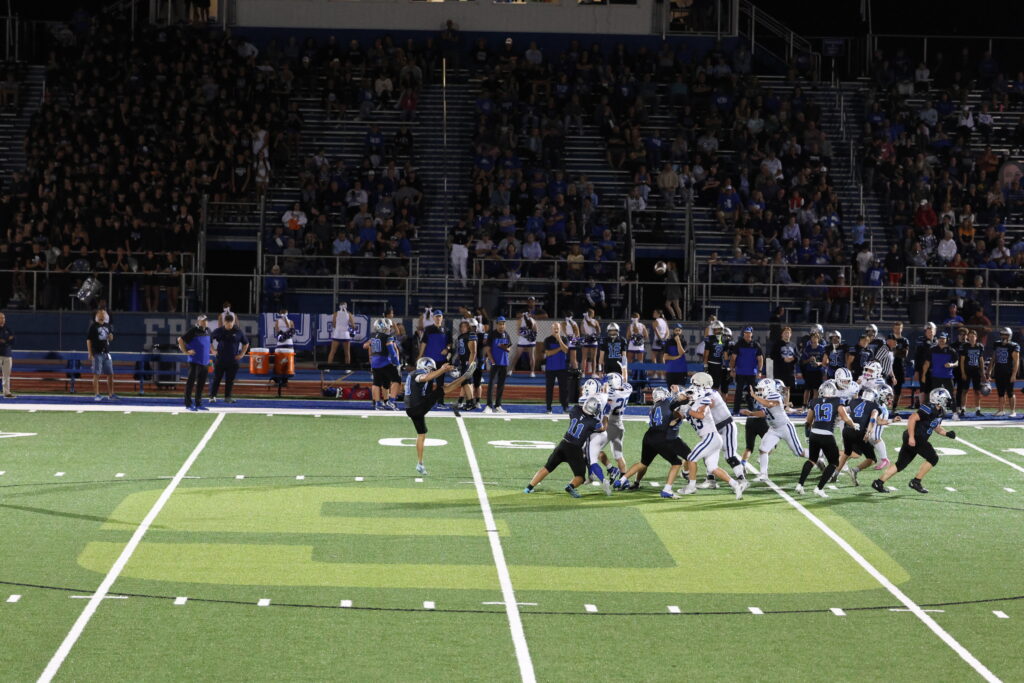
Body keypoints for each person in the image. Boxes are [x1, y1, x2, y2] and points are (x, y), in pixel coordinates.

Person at [872, 388, 956, 494]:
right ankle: (916, 482)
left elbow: (936, 427)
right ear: (938, 399)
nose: (947, 401)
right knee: (933, 458)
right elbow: (912, 418)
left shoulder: (939, 411)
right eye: (945, 399)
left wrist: (947, 434)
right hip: (916, 437)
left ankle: (878, 482)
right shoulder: (928, 408)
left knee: (901, 464)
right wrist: (911, 437)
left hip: (915, 437)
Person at [613, 386, 690, 498]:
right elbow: (681, 400)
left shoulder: (653, 408)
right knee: (677, 463)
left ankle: (621, 480)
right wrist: (682, 394)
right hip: (661, 438)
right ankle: (667, 490)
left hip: (649, 436)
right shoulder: (668, 402)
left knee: (643, 463)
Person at [524, 395, 606, 498]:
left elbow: (579, 412)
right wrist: (606, 419)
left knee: (547, 468)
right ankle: (570, 486)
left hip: (563, 444)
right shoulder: (593, 422)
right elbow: (602, 429)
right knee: (580, 477)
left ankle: (528, 488)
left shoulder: (575, 410)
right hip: (575, 449)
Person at [797, 380, 857, 497]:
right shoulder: (837, 401)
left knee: (812, 460)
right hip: (827, 434)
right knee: (834, 462)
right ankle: (819, 488)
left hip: (814, 433)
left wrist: (807, 435)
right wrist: (853, 425)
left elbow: (808, 421)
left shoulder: (814, 401)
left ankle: (800, 485)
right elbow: (845, 417)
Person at [404, 357, 455, 475]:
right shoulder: (418, 373)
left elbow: (427, 380)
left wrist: (443, 371)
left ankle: (420, 463)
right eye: (431, 369)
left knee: (421, 434)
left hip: (412, 408)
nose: (432, 371)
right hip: (417, 407)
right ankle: (464, 378)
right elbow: (425, 377)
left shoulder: (414, 374)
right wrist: (442, 370)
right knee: (441, 390)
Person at [750, 377, 806, 483]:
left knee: (799, 452)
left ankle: (818, 456)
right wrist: (751, 413)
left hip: (785, 427)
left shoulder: (774, 395)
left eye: (761, 389)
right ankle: (763, 475)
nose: (760, 391)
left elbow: (769, 404)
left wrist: (754, 396)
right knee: (763, 449)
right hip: (774, 429)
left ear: (768, 388)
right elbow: (771, 410)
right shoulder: (765, 398)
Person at [834, 386, 882, 484]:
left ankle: (835, 474)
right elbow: (873, 418)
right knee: (872, 459)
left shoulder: (854, 401)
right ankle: (855, 470)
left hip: (847, 430)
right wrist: (868, 432)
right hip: (859, 432)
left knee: (847, 453)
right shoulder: (875, 406)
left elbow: (843, 411)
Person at [209, 313, 249, 404]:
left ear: (233, 322)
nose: (229, 325)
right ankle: (212, 396)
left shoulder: (238, 331)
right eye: (227, 323)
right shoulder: (219, 330)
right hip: (220, 359)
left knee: (230, 380)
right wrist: (213, 350)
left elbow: (246, 343)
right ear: (225, 322)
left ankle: (227, 397)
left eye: (231, 323)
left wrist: (242, 354)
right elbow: (209, 339)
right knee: (217, 379)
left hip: (232, 360)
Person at [365, 318, 401, 410]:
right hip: (384, 361)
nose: (389, 328)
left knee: (376, 383)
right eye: (389, 326)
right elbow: (392, 351)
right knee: (396, 380)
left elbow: (365, 346)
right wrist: (396, 362)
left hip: (375, 362)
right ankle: (391, 401)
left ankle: (377, 404)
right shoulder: (387, 336)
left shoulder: (373, 336)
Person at [178, 315, 212, 411]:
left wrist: (211, 352)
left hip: (205, 362)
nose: (205, 322)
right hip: (194, 361)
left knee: (201, 384)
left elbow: (208, 343)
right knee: (190, 383)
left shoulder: (208, 331)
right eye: (202, 321)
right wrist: (185, 352)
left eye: (206, 320)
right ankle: (188, 404)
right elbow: (180, 340)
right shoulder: (193, 330)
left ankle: (198, 403)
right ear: (198, 322)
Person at [419, 310, 451, 407]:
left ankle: (440, 402)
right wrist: (420, 356)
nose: (438, 318)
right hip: (430, 361)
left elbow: (450, 343)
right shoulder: (428, 329)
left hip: (441, 360)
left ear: (442, 318)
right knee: (428, 382)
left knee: (440, 383)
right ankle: (428, 402)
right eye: (436, 316)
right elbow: (423, 343)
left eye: (439, 316)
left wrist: (447, 349)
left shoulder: (447, 330)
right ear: (433, 318)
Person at [729, 326, 763, 414]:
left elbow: (760, 359)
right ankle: (736, 411)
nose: (747, 334)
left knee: (751, 392)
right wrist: (732, 369)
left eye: (749, 333)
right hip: (740, 372)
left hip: (752, 373)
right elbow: (733, 358)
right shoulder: (738, 344)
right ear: (743, 334)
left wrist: (759, 371)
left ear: (752, 334)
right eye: (746, 333)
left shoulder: (756, 344)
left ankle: (751, 410)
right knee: (738, 392)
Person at [86, 309, 117, 401]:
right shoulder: (93, 326)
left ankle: (111, 394)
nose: (102, 315)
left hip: (106, 353)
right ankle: (97, 394)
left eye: (103, 314)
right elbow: (88, 340)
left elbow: (110, 338)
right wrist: (90, 353)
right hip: (97, 353)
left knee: (110, 374)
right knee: (96, 374)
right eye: (100, 314)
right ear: (97, 315)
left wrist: (111, 337)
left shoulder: (108, 325)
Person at [990, 327, 1020, 417]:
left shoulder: (1014, 346)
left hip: (1008, 372)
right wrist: (990, 370)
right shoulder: (997, 344)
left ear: (1010, 335)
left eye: (1006, 335)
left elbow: (1016, 361)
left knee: (1010, 392)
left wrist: (1014, 374)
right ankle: (1001, 410)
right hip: (999, 371)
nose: (1004, 336)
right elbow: (994, 358)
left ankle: (1013, 411)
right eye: (1002, 334)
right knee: (1000, 392)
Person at [484, 316, 511, 413]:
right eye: (500, 324)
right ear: (497, 325)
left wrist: (504, 347)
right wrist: (491, 359)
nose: (501, 326)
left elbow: (509, 348)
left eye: (503, 324)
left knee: (501, 385)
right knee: (491, 384)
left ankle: (498, 405)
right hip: (495, 363)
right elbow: (487, 349)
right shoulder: (492, 334)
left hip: (504, 363)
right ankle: (489, 406)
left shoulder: (506, 334)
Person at [543, 322, 571, 414]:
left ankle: (565, 407)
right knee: (549, 389)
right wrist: (559, 348)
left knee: (564, 389)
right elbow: (548, 353)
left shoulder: (564, 339)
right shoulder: (547, 340)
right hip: (550, 368)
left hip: (562, 368)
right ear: (551, 329)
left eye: (557, 328)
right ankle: (548, 408)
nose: (556, 330)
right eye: (554, 328)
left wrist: (559, 340)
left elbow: (566, 350)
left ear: (560, 329)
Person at [452, 319, 479, 412]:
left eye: (465, 326)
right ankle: (470, 402)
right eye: (461, 326)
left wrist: (470, 364)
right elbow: (460, 351)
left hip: (469, 362)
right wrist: (457, 361)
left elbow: (473, 351)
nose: (463, 328)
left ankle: (470, 402)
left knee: (466, 382)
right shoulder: (460, 336)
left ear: (468, 327)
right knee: (467, 383)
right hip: (463, 362)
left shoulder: (471, 335)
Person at [920, 332, 957, 400]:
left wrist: (952, 364)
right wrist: (923, 375)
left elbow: (957, 362)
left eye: (943, 338)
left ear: (946, 339)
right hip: (935, 377)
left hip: (948, 377)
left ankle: (953, 407)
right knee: (935, 396)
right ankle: (936, 407)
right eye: (940, 338)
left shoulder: (951, 350)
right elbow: (927, 363)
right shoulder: (932, 350)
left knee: (951, 395)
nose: (941, 340)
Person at [959, 329, 987, 417]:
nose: (971, 338)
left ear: (976, 337)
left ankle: (978, 409)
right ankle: (963, 409)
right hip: (967, 370)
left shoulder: (980, 346)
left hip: (976, 371)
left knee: (977, 391)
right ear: (968, 337)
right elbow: (962, 361)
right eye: (970, 336)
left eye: (973, 336)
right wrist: (963, 372)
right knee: (965, 390)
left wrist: (983, 373)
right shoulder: (965, 346)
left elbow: (981, 360)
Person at [912, 322, 937, 408]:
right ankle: (923, 408)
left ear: (935, 331)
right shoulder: (921, 341)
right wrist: (916, 371)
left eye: (931, 331)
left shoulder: (937, 341)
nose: (930, 333)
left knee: (933, 389)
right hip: (923, 369)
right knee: (923, 389)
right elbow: (917, 357)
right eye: (928, 331)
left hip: (935, 370)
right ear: (925, 332)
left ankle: (931, 408)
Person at [509, 310, 539, 377]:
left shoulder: (533, 321)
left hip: (530, 341)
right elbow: (518, 332)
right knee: (517, 355)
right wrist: (527, 334)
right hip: (522, 340)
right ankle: (510, 370)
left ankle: (532, 372)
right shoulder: (520, 321)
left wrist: (531, 336)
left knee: (531, 356)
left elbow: (536, 331)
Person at [770, 326, 797, 394]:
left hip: (790, 371)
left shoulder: (793, 345)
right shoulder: (777, 344)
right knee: (779, 389)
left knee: (787, 390)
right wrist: (783, 359)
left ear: (791, 334)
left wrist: (793, 358)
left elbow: (798, 356)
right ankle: (780, 401)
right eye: (785, 333)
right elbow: (772, 355)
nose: (787, 334)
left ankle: (786, 401)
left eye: (788, 333)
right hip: (779, 371)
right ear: (782, 334)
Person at [580, 310, 601, 377]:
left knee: (584, 358)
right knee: (593, 358)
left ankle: (583, 373)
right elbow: (599, 331)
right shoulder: (595, 321)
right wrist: (593, 334)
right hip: (592, 341)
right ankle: (593, 373)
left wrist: (587, 335)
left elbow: (582, 331)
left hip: (587, 340)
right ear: (592, 314)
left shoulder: (583, 321)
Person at [0, 312, 13, 398]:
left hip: (7, 354)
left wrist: (4, 341)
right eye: (1, 318)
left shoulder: (8, 329)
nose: (3, 319)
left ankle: (7, 392)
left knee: (6, 375)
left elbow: (13, 340)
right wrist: (6, 340)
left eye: (3, 318)